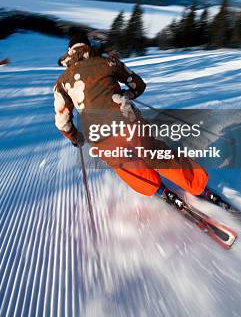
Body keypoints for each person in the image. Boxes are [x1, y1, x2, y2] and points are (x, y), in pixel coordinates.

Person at [53, 31, 208, 198]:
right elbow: (138, 85)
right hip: (126, 119)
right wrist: (126, 95)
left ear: (69, 53)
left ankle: (156, 188)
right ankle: (197, 183)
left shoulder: (62, 83)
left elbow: (62, 122)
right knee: (153, 152)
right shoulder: (109, 62)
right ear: (89, 47)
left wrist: (76, 138)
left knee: (125, 163)